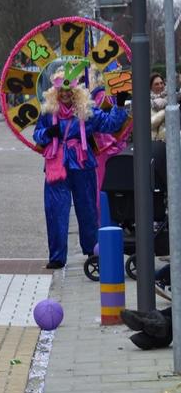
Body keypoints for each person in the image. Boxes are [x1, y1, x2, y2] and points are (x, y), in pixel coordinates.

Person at [33, 66, 130, 270]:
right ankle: (57, 256)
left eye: (69, 90)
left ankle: (92, 251)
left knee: (87, 210)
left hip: (83, 163)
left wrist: (119, 105)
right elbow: (37, 136)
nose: (66, 94)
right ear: (56, 92)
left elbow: (110, 124)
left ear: (76, 91)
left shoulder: (86, 111)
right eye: (62, 91)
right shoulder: (48, 112)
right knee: (55, 210)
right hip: (56, 165)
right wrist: (49, 132)